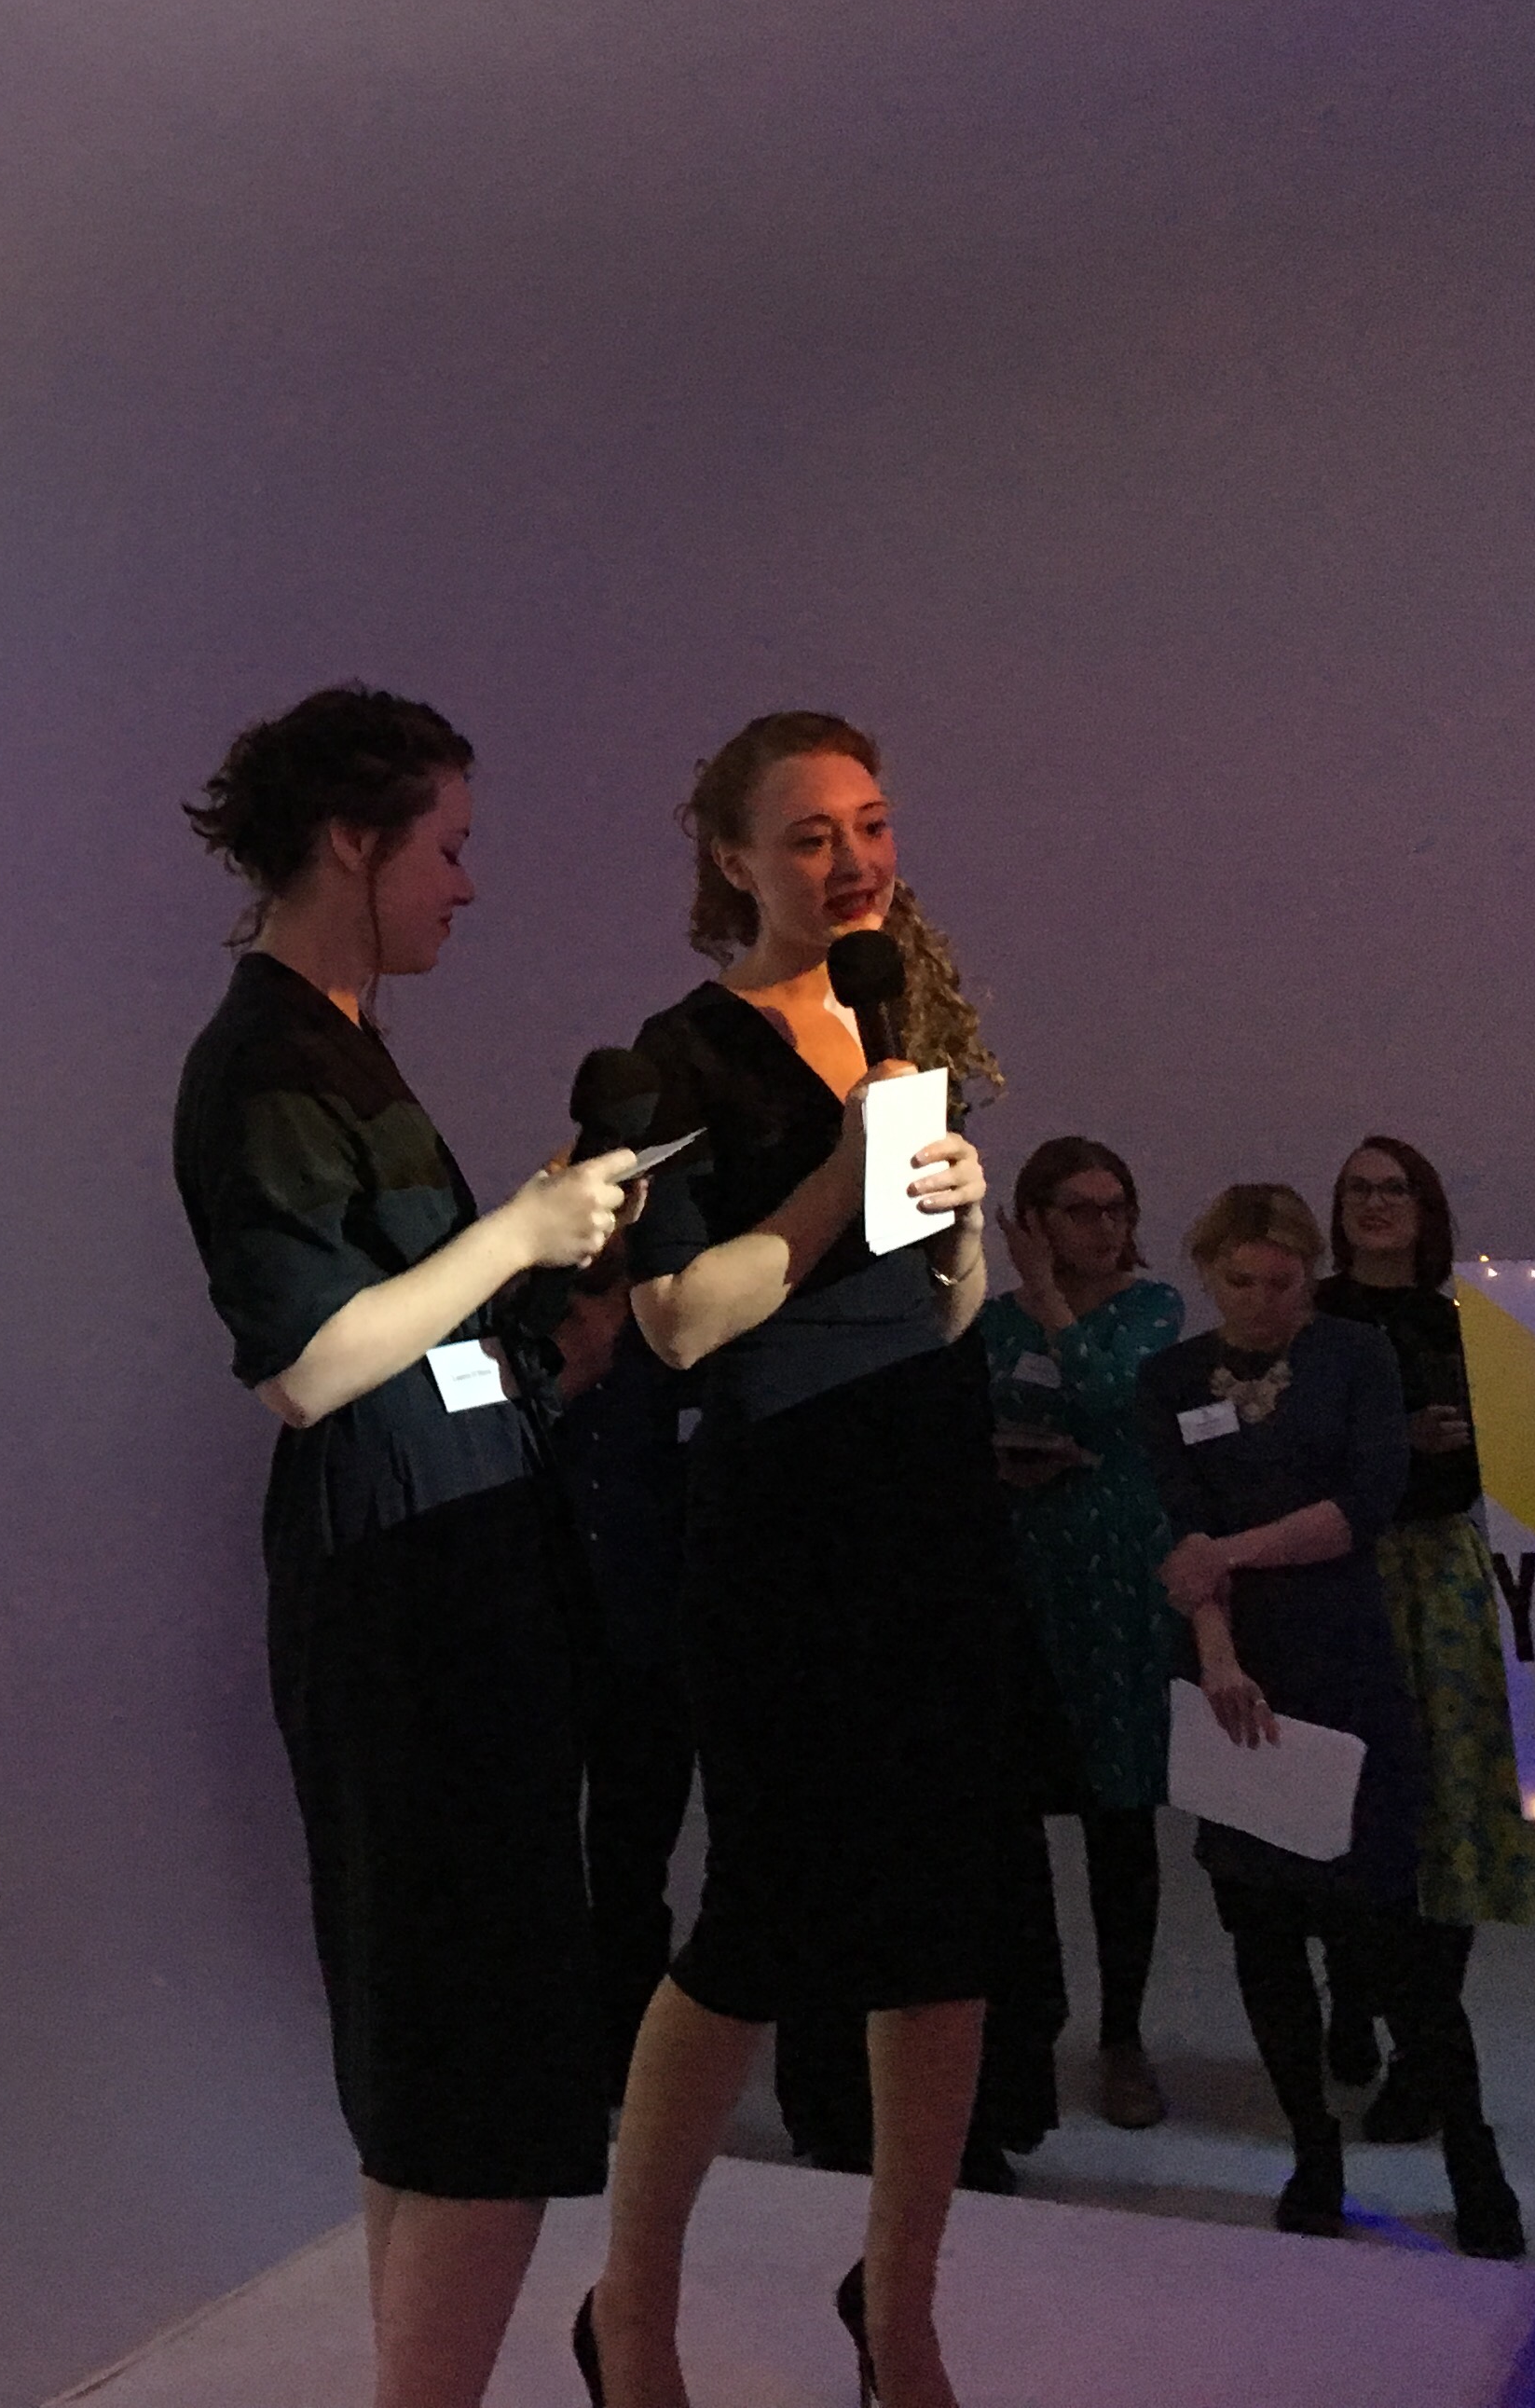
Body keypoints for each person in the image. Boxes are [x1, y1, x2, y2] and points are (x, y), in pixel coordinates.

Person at [169, 685, 637, 2408]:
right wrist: (516, 1230)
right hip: (409, 1616)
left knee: (441, 2063)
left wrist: (564, 1304)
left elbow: (426, 1349)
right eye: (446, 845)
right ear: (350, 842)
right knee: (467, 2067)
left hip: (455, 1586)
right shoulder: (264, 1065)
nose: (467, 882)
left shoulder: (340, 1046)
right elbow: (307, 1365)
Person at [586, 710, 1004, 2408]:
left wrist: (963, 1222)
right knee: (756, 1921)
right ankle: (630, 2311)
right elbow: (679, 1323)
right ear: (732, 858)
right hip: (780, 1524)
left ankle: (898, 2305)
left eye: (872, 823)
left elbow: (940, 1309)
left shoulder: (906, 1019)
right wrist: (850, 1163)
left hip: (934, 1501)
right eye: (813, 834)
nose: (854, 861)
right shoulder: (670, 1059)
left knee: (951, 1920)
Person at [1145, 1184, 1526, 2258]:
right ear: (1207, 1272)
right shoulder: (1170, 1378)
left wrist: (1230, 1553)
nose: (1261, 1301)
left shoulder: (1356, 1357)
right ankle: (1314, 2153)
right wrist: (1217, 1653)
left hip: (1346, 1658)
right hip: (1234, 1667)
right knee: (1262, 1931)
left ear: (1308, 1275)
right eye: (1239, 1282)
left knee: (1398, 1940)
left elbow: (1360, 1508)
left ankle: (1473, 2158)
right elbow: (1183, 1528)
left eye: (1281, 1283)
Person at [1312, 1136, 1535, 2139]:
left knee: (1444, 1799)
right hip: (1335, 1574)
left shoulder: (1469, 1324)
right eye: (1357, 1189)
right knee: (1339, 1800)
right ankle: (1352, 1994)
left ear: (1426, 1208)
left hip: (1439, 1575)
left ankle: (1425, 2050)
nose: (1375, 1203)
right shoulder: (1310, 1318)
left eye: (1394, 1188)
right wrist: (1390, 1436)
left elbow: (1518, 1457)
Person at [974, 1135, 1184, 2130]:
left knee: (1120, 1818)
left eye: (1117, 1208)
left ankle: (1123, 2036)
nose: (1104, 1227)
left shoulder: (1155, 1309)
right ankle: (1021, 2026)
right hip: (1024, 1570)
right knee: (1013, 1812)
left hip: (1119, 1576)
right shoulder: (993, 1321)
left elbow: (1110, 1395)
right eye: (1081, 1210)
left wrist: (1053, 1301)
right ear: (1038, 1220)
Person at [551, 1248, 697, 2095]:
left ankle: (628, 2061)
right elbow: (458, 1419)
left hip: (657, 1637)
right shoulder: (515, 1319)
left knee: (632, 1860)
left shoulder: (681, 1322)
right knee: (534, 1853)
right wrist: (568, 1373)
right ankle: (549, 2047)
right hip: (543, 1632)